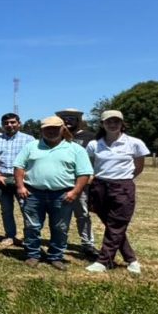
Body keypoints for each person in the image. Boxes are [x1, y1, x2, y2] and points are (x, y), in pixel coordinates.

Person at [14, 116, 93, 271]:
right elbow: (19, 167)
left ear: (62, 129)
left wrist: (75, 192)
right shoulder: (31, 146)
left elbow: (84, 173)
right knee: (32, 226)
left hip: (63, 194)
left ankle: (55, 256)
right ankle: (33, 254)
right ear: (41, 130)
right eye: (46, 128)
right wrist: (20, 187)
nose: (50, 131)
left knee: (60, 227)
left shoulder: (75, 149)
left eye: (55, 128)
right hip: (34, 193)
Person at [85, 110, 150, 275]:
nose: (112, 124)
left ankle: (103, 261)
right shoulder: (94, 144)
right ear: (102, 124)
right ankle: (132, 259)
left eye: (116, 121)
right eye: (108, 122)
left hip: (122, 187)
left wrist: (124, 179)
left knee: (116, 224)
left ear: (122, 123)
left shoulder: (135, 143)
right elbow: (90, 165)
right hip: (99, 186)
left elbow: (139, 166)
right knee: (113, 225)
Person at [0, 113, 35, 247]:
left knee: (27, 209)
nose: (9, 125)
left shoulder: (29, 140)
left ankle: (29, 237)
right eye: (6, 123)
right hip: (3, 180)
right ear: (2, 125)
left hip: (22, 181)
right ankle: (10, 236)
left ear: (19, 123)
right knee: (6, 210)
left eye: (12, 122)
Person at [56, 108, 98, 257]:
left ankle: (88, 244)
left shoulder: (90, 137)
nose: (67, 121)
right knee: (60, 215)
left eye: (71, 119)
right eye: (64, 119)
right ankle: (59, 242)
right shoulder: (56, 136)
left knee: (82, 214)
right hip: (60, 181)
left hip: (80, 182)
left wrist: (91, 175)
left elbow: (95, 159)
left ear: (78, 121)